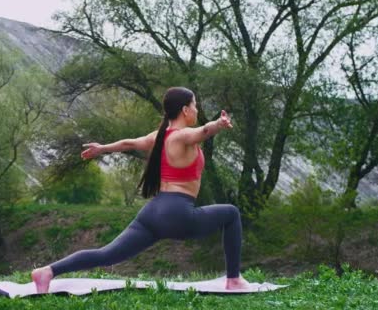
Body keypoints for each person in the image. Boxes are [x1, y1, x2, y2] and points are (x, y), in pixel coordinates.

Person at [31, 87, 249, 292]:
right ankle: (234, 279)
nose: (196, 110)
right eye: (194, 106)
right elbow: (204, 130)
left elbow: (129, 143)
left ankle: (47, 271)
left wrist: (102, 149)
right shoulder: (183, 136)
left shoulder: (158, 136)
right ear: (184, 110)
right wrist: (219, 124)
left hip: (153, 212)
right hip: (177, 213)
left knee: (107, 254)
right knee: (231, 214)